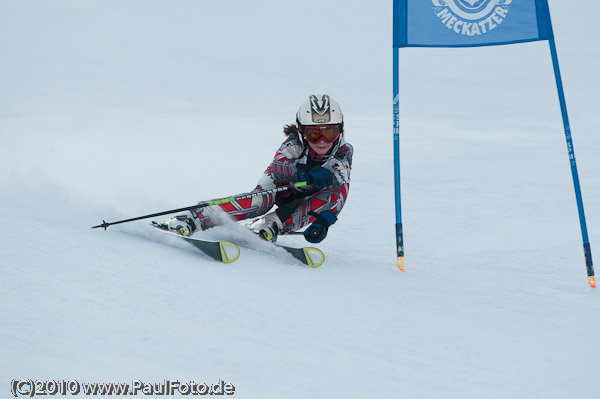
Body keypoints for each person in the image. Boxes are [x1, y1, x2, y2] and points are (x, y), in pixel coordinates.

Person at [158, 94, 353, 243]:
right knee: (261, 201)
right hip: (279, 185)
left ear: (340, 130)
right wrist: (304, 171)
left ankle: (269, 225)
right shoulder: (294, 144)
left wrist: (323, 222)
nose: (322, 141)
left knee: (329, 195)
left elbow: (341, 192)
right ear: (301, 131)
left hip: (306, 195)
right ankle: (196, 217)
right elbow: (278, 168)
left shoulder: (343, 151)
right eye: (314, 134)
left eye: (329, 132)